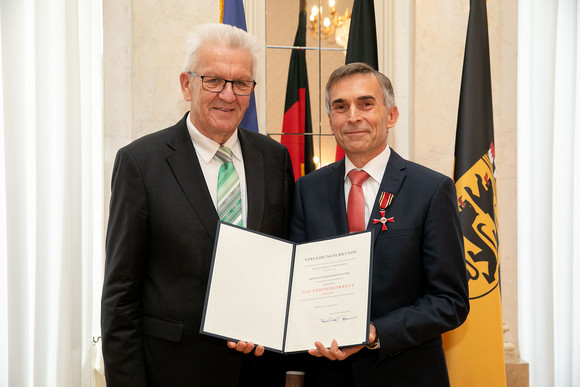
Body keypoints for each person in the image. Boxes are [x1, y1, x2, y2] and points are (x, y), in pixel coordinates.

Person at [101, 23, 294, 387]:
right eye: (213, 80)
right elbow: (120, 299)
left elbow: (282, 260)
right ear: (186, 84)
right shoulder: (141, 164)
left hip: (258, 372)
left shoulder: (274, 157)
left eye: (241, 83)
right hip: (173, 371)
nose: (228, 94)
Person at [289, 62, 470, 386]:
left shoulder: (430, 189)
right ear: (331, 120)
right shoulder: (307, 190)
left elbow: (450, 301)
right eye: (340, 107)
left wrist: (375, 333)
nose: (353, 116)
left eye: (366, 103)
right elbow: (297, 287)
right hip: (329, 376)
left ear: (391, 115)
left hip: (406, 374)